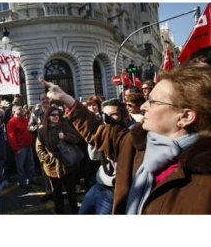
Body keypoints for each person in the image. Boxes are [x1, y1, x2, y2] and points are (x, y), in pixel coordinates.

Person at [40, 65, 211, 214]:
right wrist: (64, 97)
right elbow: (98, 130)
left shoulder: (203, 185)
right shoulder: (135, 143)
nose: (143, 107)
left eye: (152, 102)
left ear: (185, 116)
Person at [79, 98, 130, 215]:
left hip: (112, 190)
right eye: (105, 115)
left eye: (113, 114)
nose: (109, 118)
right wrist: (96, 132)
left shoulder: (128, 134)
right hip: (99, 184)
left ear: (123, 115)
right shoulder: (104, 132)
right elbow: (94, 156)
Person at [36, 106, 82, 214]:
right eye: (53, 115)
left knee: (71, 190)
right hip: (52, 166)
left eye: (57, 114)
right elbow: (39, 148)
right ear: (47, 117)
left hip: (67, 164)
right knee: (56, 192)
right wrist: (47, 158)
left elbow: (77, 138)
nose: (56, 117)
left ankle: (74, 210)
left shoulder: (64, 125)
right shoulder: (42, 131)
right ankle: (59, 211)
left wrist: (65, 136)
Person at [28, 93, 54, 202]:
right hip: (42, 145)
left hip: (55, 143)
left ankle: (59, 190)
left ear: (50, 99)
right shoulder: (35, 113)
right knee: (45, 168)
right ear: (40, 101)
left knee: (58, 167)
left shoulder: (56, 110)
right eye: (42, 99)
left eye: (46, 98)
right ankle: (49, 191)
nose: (45, 101)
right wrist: (38, 127)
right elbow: (29, 127)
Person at [7, 105, 36, 189]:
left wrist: (31, 139)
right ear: (14, 111)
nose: (20, 109)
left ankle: (31, 179)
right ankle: (22, 182)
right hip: (20, 147)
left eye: (20, 108)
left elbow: (28, 130)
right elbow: (11, 137)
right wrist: (16, 148)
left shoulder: (25, 119)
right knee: (21, 166)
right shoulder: (11, 122)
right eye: (18, 108)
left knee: (30, 163)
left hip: (28, 145)